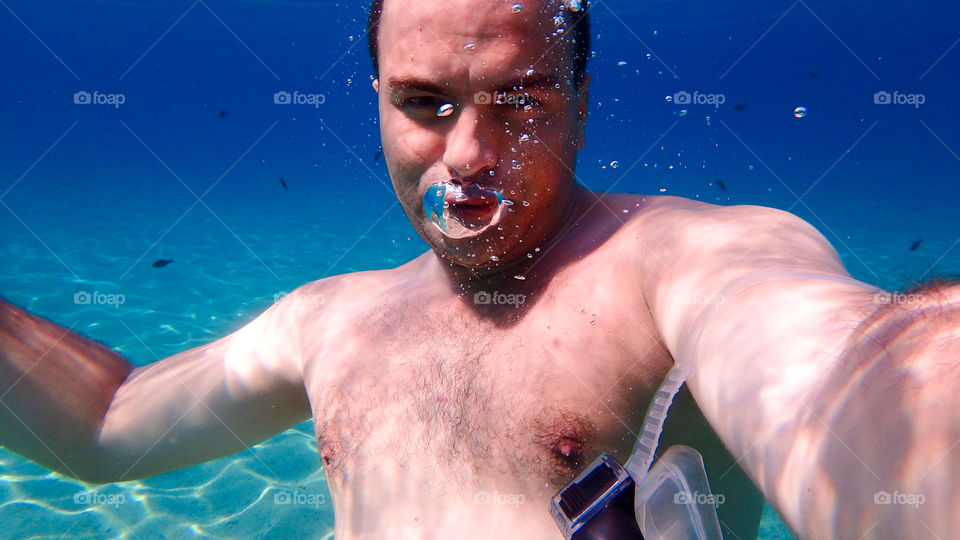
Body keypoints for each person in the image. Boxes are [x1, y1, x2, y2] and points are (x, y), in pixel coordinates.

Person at [2, 0, 958, 538]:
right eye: (424, 103)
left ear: (581, 108)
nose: (467, 157)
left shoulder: (681, 260)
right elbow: (103, 422)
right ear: (376, 102)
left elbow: (854, 364)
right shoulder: (324, 320)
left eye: (519, 100)